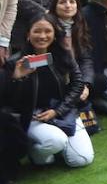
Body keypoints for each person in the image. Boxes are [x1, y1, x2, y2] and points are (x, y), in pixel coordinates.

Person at [1, 16, 93, 168]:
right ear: (28, 34)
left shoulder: (63, 55)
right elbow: (9, 102)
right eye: (37, 31)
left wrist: (58, 111)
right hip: (33, 116)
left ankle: (54, 147)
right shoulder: (14, 63)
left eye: (47, 31)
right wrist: (16, 78)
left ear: (55, 34)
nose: (42, 36)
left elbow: (77, 84)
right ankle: (36, 151)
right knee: (56, 142)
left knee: (82, 159)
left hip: (62, 111)